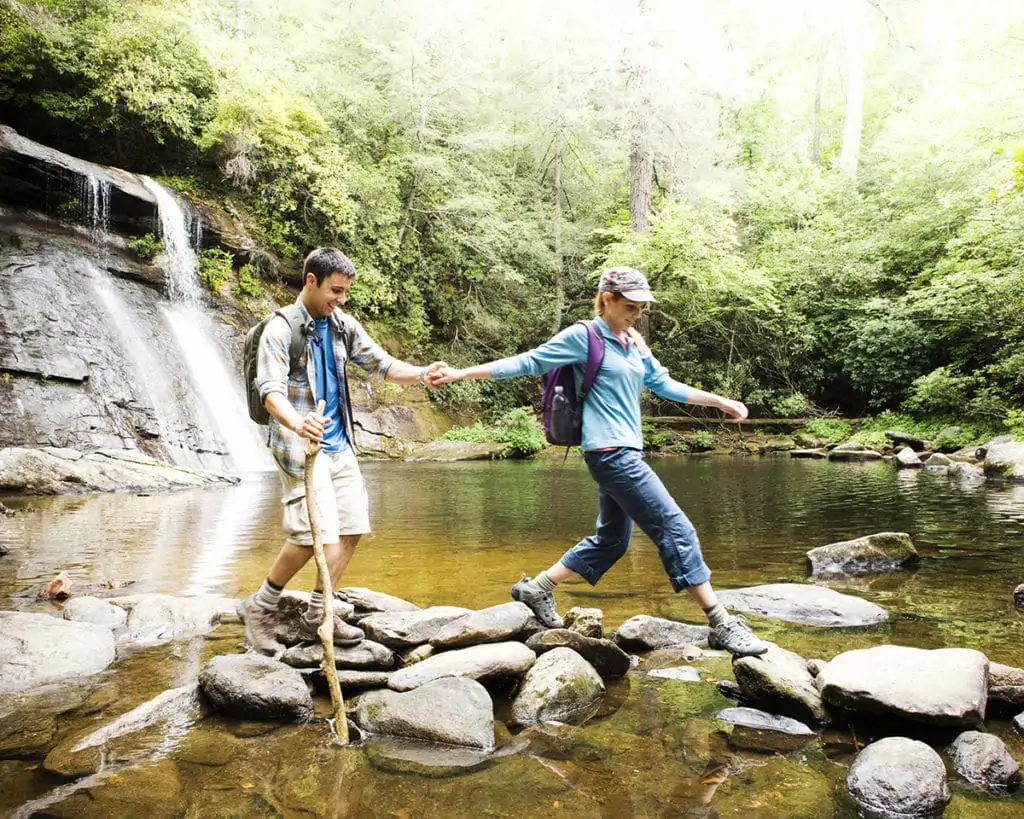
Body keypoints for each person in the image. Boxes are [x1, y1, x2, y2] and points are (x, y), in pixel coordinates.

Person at [428, 266, 770, 657]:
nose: (636, 313)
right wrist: (458, 375)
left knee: (611, 541)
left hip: (627, 452)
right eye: (629, 306)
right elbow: (527, 362)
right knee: (676, 528)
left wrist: (719, 401)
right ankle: (721, 623)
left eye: (641, 307)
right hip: (610, 454)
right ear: (606, 299)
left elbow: (663, 384)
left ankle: (536, 588)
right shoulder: (583, 337)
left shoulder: (634, 343)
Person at [241, 247, 445, 655]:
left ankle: (321, 611)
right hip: (300, 446)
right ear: (311, 281)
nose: (341, 299)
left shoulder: (342, 326)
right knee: (311, 536)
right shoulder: (281, 330)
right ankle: (261, 606)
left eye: (346, 292)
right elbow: (269, 393)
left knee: (352, 528)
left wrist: (422, 374)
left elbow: (383, 366)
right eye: (335, 290)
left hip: (339, 444)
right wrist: (298, 422)